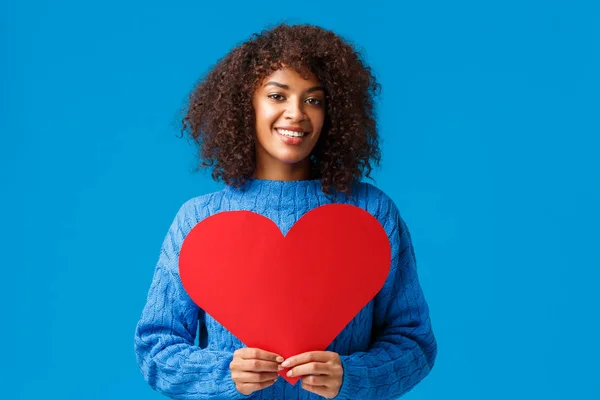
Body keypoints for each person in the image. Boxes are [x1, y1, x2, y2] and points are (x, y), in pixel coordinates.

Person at [134, 23, 437, 399]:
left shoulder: (373, 212)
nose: (296, 113)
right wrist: (223, 373)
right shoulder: (198, 220)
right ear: (247, 104)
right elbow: (156, 347)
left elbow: (414, 343)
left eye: (313, 100)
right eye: (278, 96)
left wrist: (351, 375)